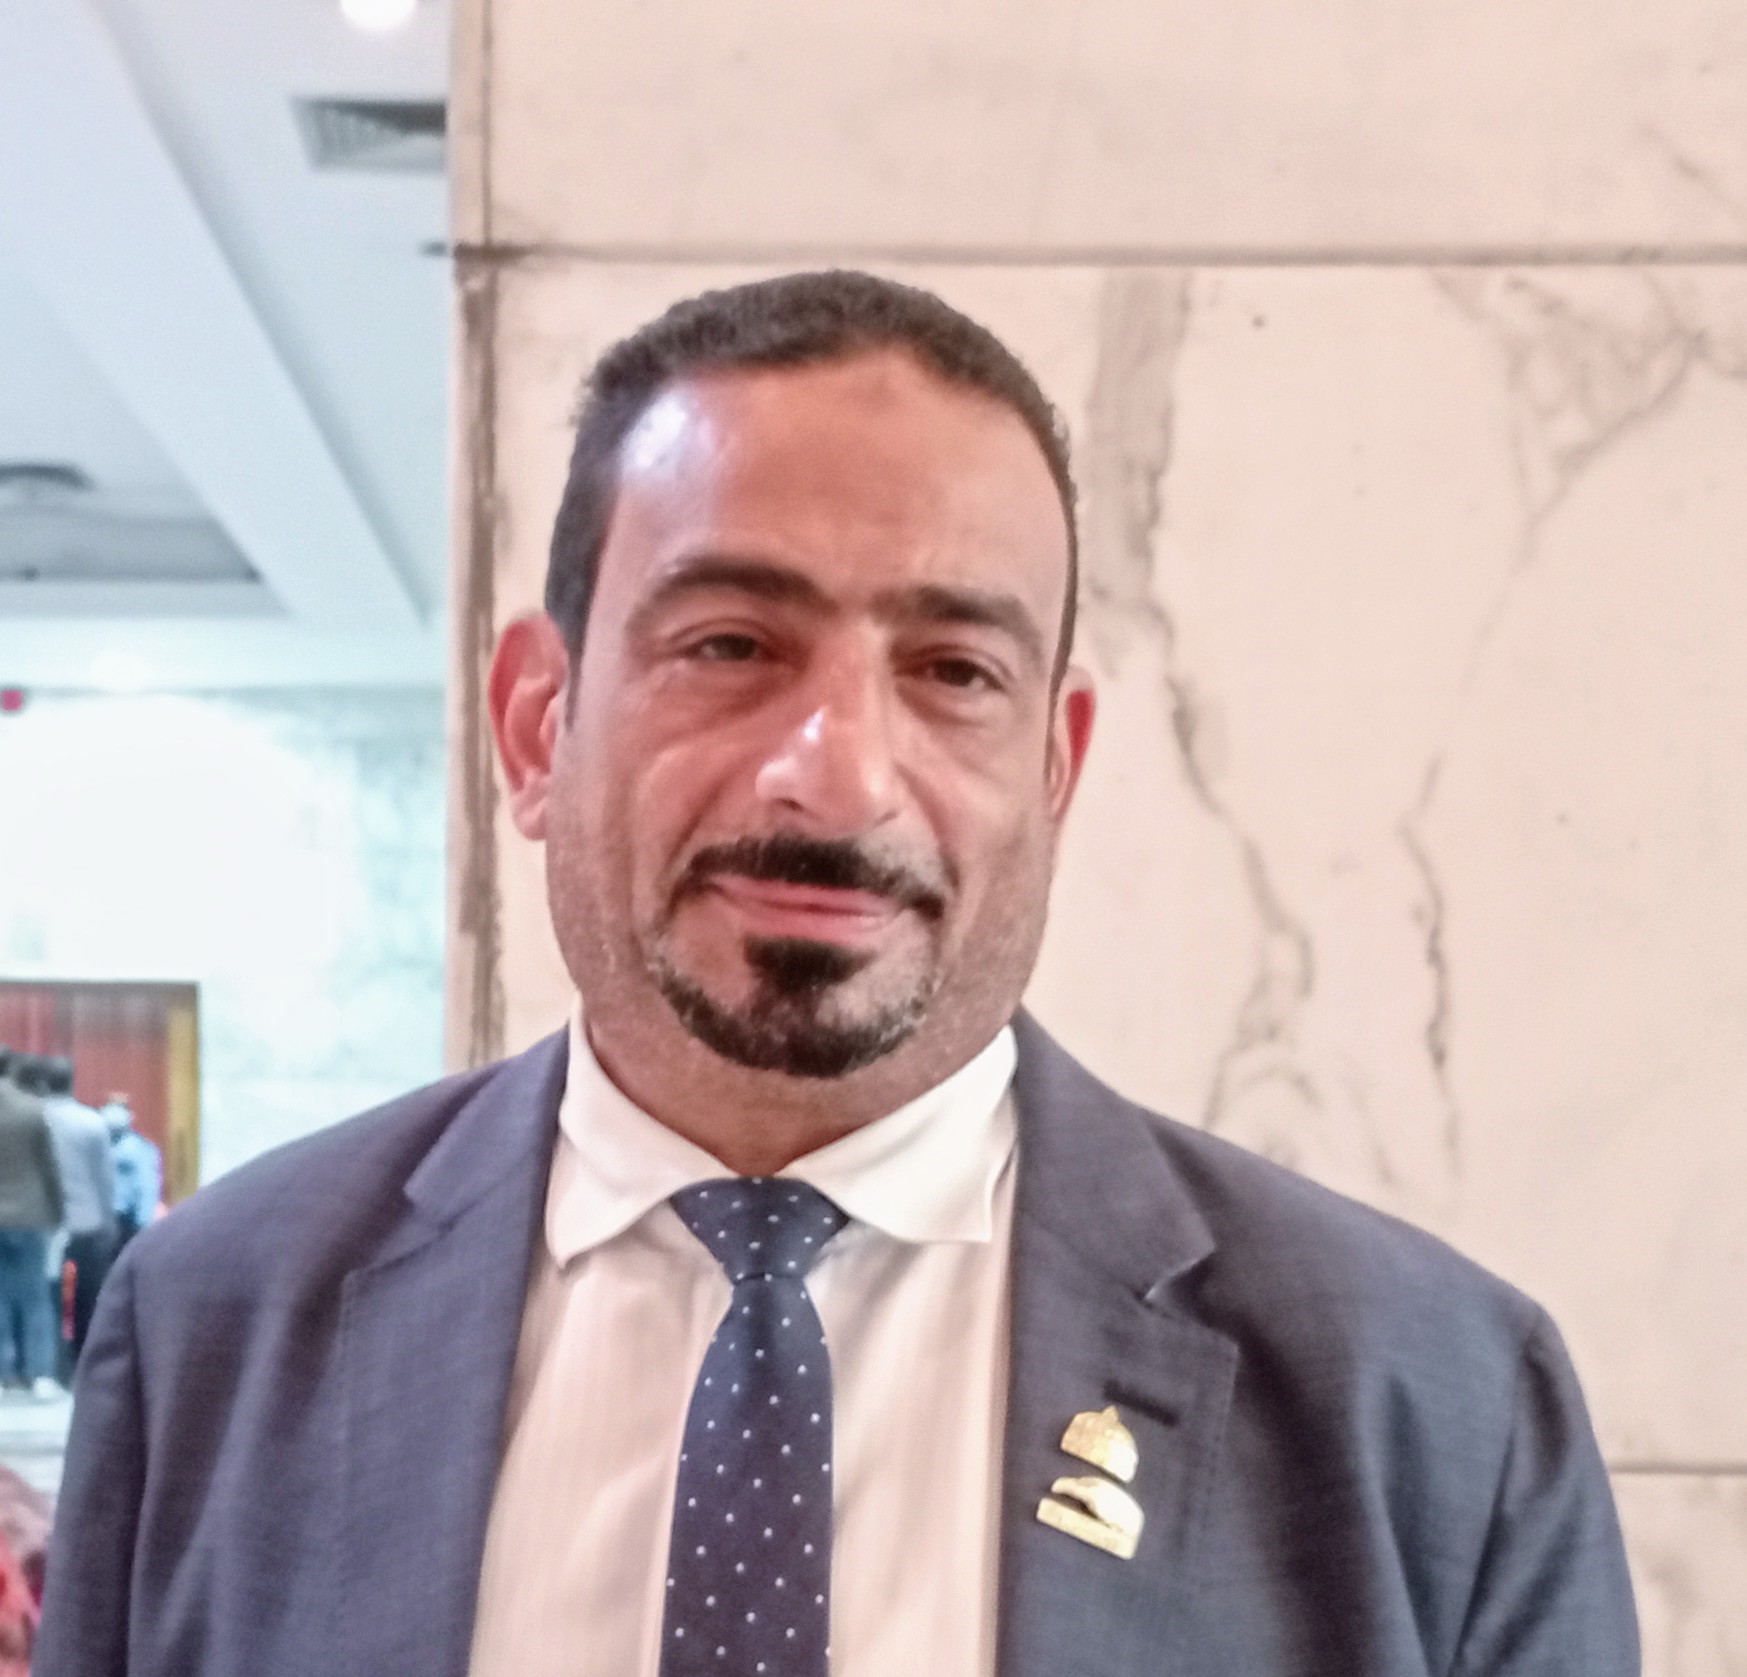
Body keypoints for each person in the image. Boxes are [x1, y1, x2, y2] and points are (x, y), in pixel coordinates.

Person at [37, 272, 1640, 1676]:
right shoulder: (213, 1330)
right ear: (536, 724)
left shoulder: (1426, 1405)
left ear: (1054, 765)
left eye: (952, 671)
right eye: (730, 644)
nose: (838, 774)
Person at [24, 1057, 117, 1369]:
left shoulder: (34, 1119)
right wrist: (108, 1218)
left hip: (45, 1221)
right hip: (88, 1220)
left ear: (42, 1082)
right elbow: (104, 1176)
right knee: (88, 1297)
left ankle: (50, 1364)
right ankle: (84, 1361)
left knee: (46, 1297)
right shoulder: (91, 1122)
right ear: (72, 1082)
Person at [0, 1053, 62, 1400]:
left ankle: (3, 1374)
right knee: (35, 1297)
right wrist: (58, 1211)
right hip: (30, 1214)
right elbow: (48, 1167)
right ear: (11, 1068)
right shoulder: (32, 1110)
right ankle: (39, 1374)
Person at [100, 1095, 163, 1246]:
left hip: (129, 1221)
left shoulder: (139, 1148)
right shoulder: (101, 1144)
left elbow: (147, 1185)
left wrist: (144, 1223)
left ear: (130, 1115)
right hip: (105, 1221)